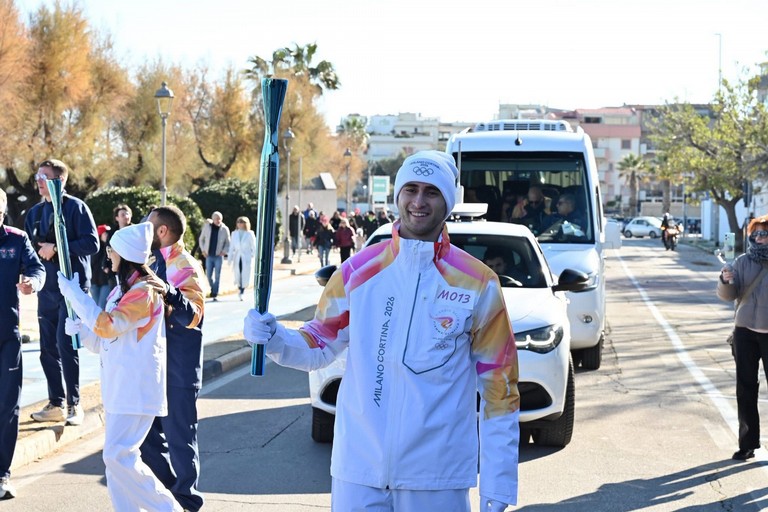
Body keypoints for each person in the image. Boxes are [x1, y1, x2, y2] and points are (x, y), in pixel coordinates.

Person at [244, 150, 520, 512]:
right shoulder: (357, 271)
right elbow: (318, 344)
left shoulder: (478, 282)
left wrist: (498, 483)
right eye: (411, 190)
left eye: (432, 192)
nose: (419, 202)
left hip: (436, 476)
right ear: (398, 195)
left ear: (448, 202)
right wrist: (275, 338)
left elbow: (501, 387)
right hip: (360, 470)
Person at [57, 222, 182, 511]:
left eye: (111, 250)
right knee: (115, 465)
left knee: (118, 456)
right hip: (119, 387)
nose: (108, 254)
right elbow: (104, 341)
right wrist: (82, 330)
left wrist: (77, 296)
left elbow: (108, 326)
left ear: (125, 254)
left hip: (135, 388)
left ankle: (168, 509)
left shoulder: (144, 292)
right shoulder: (120, 291)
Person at [139, 205, 208, 511]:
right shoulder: (152, 261)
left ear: (162, 231)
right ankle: (169, 498)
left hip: (178, 368)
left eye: (149, 225)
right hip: (153, 366)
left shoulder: (184, 265)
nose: (144, 229)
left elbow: (194, 315)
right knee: (145, 439)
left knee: (180, 441)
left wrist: (169, 291)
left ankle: (187, 503)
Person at [24, 158, 99, 426]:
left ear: (60, 180)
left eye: (44, 176)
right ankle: (55, 402)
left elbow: (92, 244)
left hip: (72, 289)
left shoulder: (76, 207)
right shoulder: (34, 213)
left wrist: (56, 248)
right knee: (47, 349)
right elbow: (29, 250)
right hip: (46, 290)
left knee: (66, 345)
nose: (39, 181)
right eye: (37, 176)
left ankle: (73, 404)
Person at [0, 189, 45, 499]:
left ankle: (2, 474)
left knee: (7, 406)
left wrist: (33, 282)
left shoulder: (16, 239)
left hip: (7, 335)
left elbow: (37, 268)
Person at [718, 215, 768, 461]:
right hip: (744, 332)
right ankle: (747, 444)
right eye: (755, 233)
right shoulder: (741, 261)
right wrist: (725, 281)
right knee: (745, 388)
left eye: (764, 233)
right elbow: (729, 295)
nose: (759, 238)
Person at [198, 211, 230, 301]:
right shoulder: (207, 227)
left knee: (217, 275)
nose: (218, 220)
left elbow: (228, 243)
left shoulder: (225, 229)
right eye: (216, 218)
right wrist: (203, 250)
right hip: (209, 255)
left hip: (218, 256)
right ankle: (212, 288)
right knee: (208, 275)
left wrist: (224, 251)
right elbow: (201, 239)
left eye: (219, 218)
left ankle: (215, 293)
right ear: (213, 219)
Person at [230, 216, 256, 300]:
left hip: (246, 256)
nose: (240, 224)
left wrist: (253, 255)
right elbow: (232, 246)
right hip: (237, 256)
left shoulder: (249, 233)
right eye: (238, 222)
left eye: (241, 222)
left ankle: (242, 290)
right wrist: (229, 258)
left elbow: (254, 246)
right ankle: (239, 288)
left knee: (244, 273)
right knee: (238, 273)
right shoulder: (234, 233)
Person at [90, 224, 112, 309]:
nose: (107, 235)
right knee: (96, 307)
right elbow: (92, 262)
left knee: (101, 306)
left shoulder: (111, 247)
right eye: (105, 233)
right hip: (94, 281)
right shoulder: (95, 248)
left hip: (106, 281)